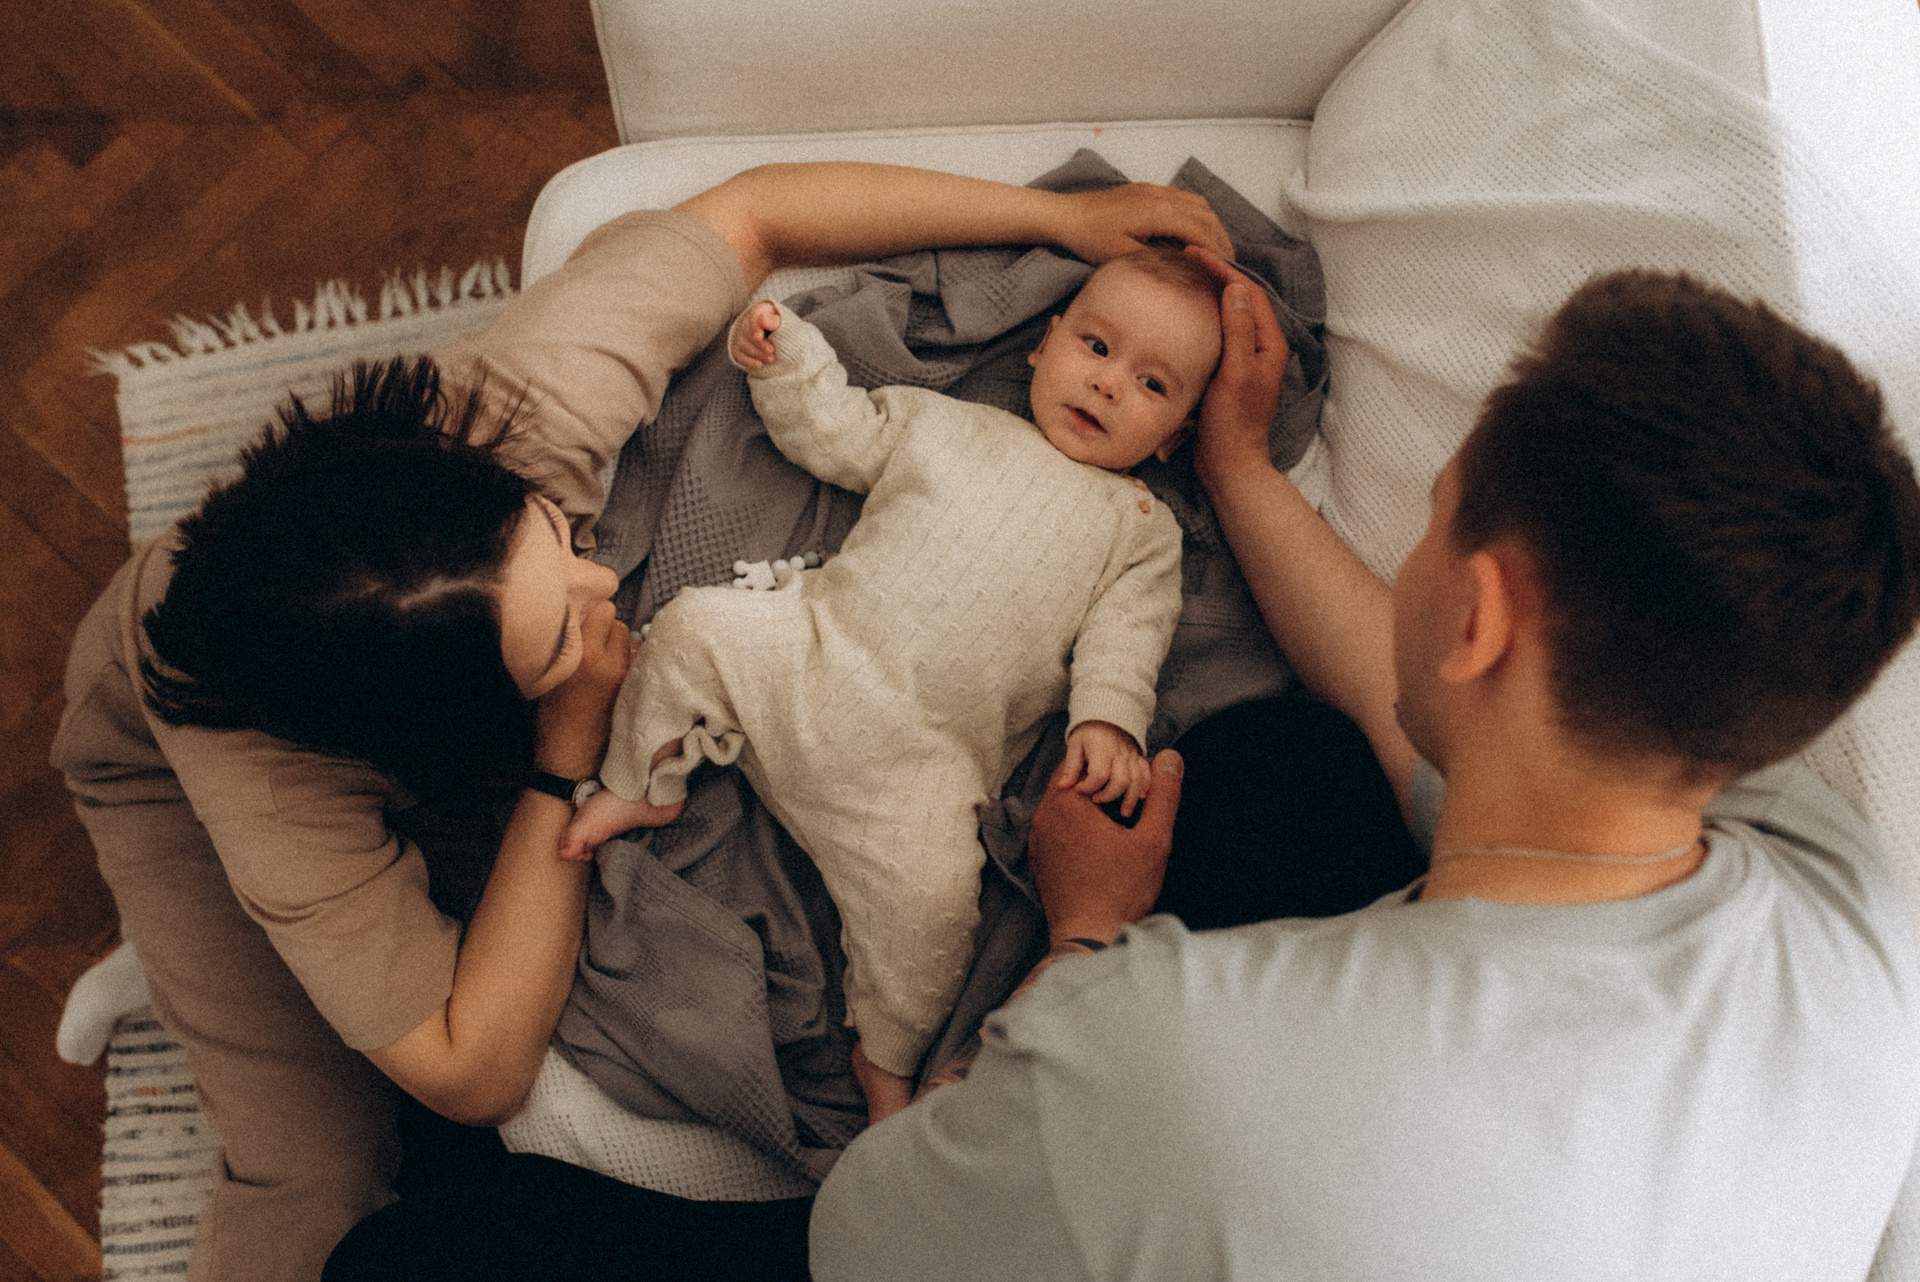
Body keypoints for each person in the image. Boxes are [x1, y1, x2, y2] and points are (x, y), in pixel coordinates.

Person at [49, 161, 1234, 1282]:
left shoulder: (514, 406)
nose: (604, 586)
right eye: (558, 634)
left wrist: (1061, 222)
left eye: (561, 539)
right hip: (169, 772)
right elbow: (474, 1069)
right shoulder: (276, 787)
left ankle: (323, 958)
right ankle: (203, 958)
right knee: (325, 1174)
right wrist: (565, 752)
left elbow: (755, 213)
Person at [808, 264, 1920, 1279]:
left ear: (1478, 618)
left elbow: (857, 1239)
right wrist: (1237, 467)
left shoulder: (1166, 1051)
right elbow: (1437, 709)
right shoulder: (1850, 904)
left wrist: (1083, 938)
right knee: (1285, 770)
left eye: (1437, 518)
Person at [561, 248, 1222, 1121]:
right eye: (1096, 348)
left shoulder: (1139, 531)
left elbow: (1128, 640)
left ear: (1174, 437)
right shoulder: (944, 424)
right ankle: (640, 785)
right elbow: (834, 430)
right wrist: (787, 356)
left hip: (923, 769)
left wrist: (1108, 722)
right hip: (809, 655)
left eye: (1151, 384)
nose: (1107, 383)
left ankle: (885, 1060)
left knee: (937, 915)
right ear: (1044, 343)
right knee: (691, 630)